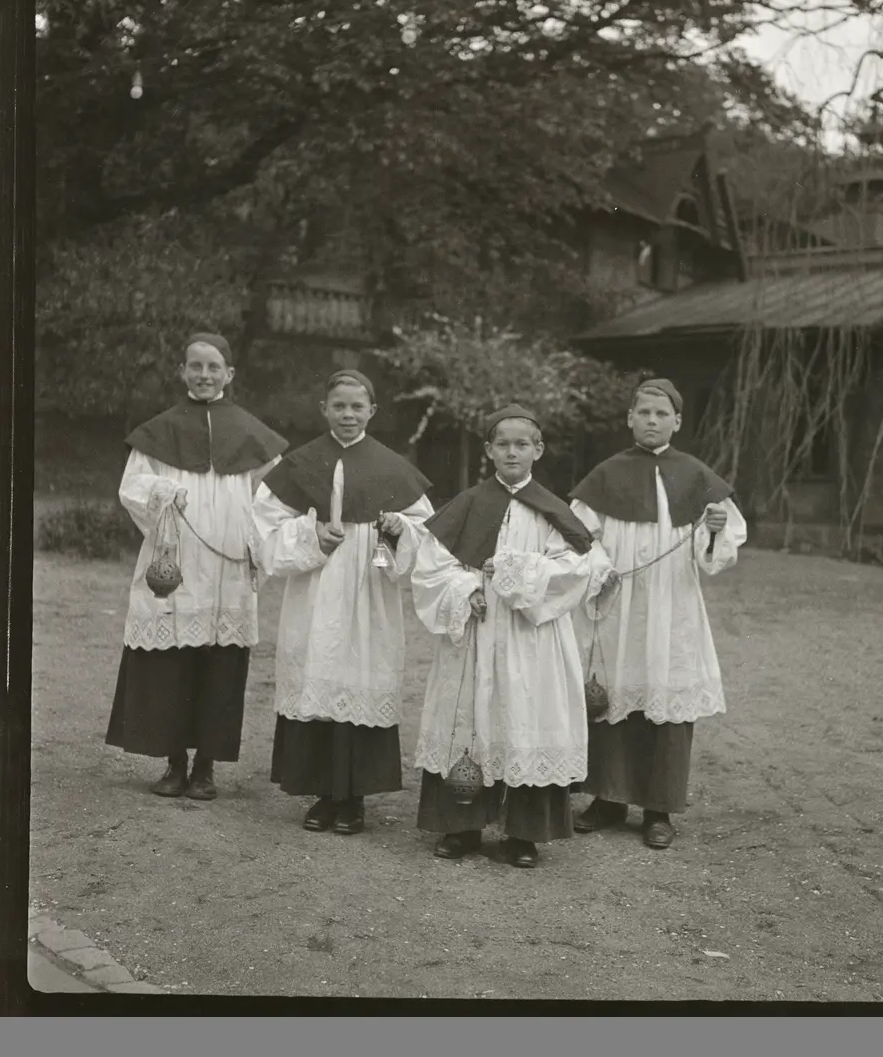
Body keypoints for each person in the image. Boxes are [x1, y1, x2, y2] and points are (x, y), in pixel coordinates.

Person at [410, 405, 615, 869]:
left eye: (522, 443)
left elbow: (575, 569)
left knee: (526, 718)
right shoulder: (465, 504)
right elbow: (430, 569)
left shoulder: (553, 511)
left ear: (538, 450)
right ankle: (461, 827)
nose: (512, 451)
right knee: (470, 717)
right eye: (502, 443)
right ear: (488, 450)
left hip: (531, 636)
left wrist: (511, 572)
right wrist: (464, 591)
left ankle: (524, 833)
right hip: (477, 631)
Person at [106, 332, 288, 800]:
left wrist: (256, 542)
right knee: (172, 662)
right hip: (175, 560)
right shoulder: (159, 431)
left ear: (230, 374)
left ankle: (206, 768)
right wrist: (161, 494)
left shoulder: (253, 435)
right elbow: (133, 487)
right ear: (182, 372)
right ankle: (173, 763)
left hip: (228, 564)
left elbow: (272, 501)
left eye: (213, 367)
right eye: (195, 366)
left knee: (219, 664)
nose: (204, 375)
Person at [253, 370, 434, 836]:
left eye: (358, 406)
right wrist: (310, 534)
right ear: (324, 410)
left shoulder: (393, 467)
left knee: (359, 677)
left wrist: (397, 531)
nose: (348, 414)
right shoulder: (301, 464)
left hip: (368, 594)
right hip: (316, 591)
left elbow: (424, 534)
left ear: (372, 411)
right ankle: (320, 794)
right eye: (339, 406)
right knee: (318, 676)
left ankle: (352, 799)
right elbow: (264, 529)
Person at [568, 377, 747, 849]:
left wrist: (713, 530)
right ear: (630, 418)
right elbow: (575, 538)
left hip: (672, 605)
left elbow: (719, 553)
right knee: (612, 693)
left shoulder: (697, 476)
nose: (652, 421)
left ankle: (658, 809)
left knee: (666, 699)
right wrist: (597, 570)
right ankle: (607, 799)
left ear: (678, 422)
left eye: (662, 414)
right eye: (644, 413)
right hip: (616, 605)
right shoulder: (605, 476)